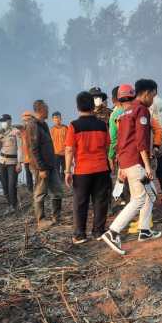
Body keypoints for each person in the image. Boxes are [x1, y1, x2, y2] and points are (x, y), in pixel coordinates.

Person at [100, 83, 161, 255]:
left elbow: (118, 140)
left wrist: (120, 166)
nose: (152, 99)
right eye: (153, 96)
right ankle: (113, 232)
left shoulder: (121, 114)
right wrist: (147, 165)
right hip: (136, 162)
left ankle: (144, 230)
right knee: (139, 199)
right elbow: (141, 140)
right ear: (146, 94)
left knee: (151, 193)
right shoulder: (140, 110)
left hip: (126, 161)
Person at [65, 91, 112, 244]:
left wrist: (67, 171)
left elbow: (69, 149)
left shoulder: (74, 126)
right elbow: (107, 145)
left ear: (78, 107)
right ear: (92, 106)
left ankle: (80, 235)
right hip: (101, 169)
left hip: (82, 171)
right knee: (100, 200)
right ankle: (98, 231)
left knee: (80, 202)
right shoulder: (102, 125)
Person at [27, 99, 63, 230]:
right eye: (46, 108)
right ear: (41, 109)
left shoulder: (44, 125)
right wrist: (41, 167)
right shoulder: (32, 125)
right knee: (40, 193)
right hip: (41, 167)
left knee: (58, 191)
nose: (48, 110)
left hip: (51, 165)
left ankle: (56, 217)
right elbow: (34, 149)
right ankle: (41, 221)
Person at [0, 114, 22, 213]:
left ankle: (14, 205)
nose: (3, 123)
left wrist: (19, 163)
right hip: (2, 161)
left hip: (12, 162)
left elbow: (20, 148)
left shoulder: (16, 132)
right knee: (4, 185)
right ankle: (10, 204)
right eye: (1, 122)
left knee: (11, 185)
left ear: (9, 121)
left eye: (4, 121)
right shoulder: (0, 133)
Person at [50, 111, 68, 180]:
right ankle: (58, 185)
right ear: (53, 120)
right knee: (56, 170)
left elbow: (68, 141)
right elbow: (50, 142)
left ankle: (64, 184)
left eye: (58, 118)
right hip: (55, 153)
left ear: (61, 118)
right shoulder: (52, 130)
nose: (57, 119)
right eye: (55, 118)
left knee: (65, 169)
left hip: (65, 153)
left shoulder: (65, 128)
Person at [20, 111, 35, 192]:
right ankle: (30, 191)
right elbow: (21, 145)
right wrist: (20, 160)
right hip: (26, 157)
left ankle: (40, 190)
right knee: (28, 174)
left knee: (37, 173)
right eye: (24, 120)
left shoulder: (35, 129)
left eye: (28, 120)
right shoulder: (22, 131)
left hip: (34, 156)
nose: (26, 122)